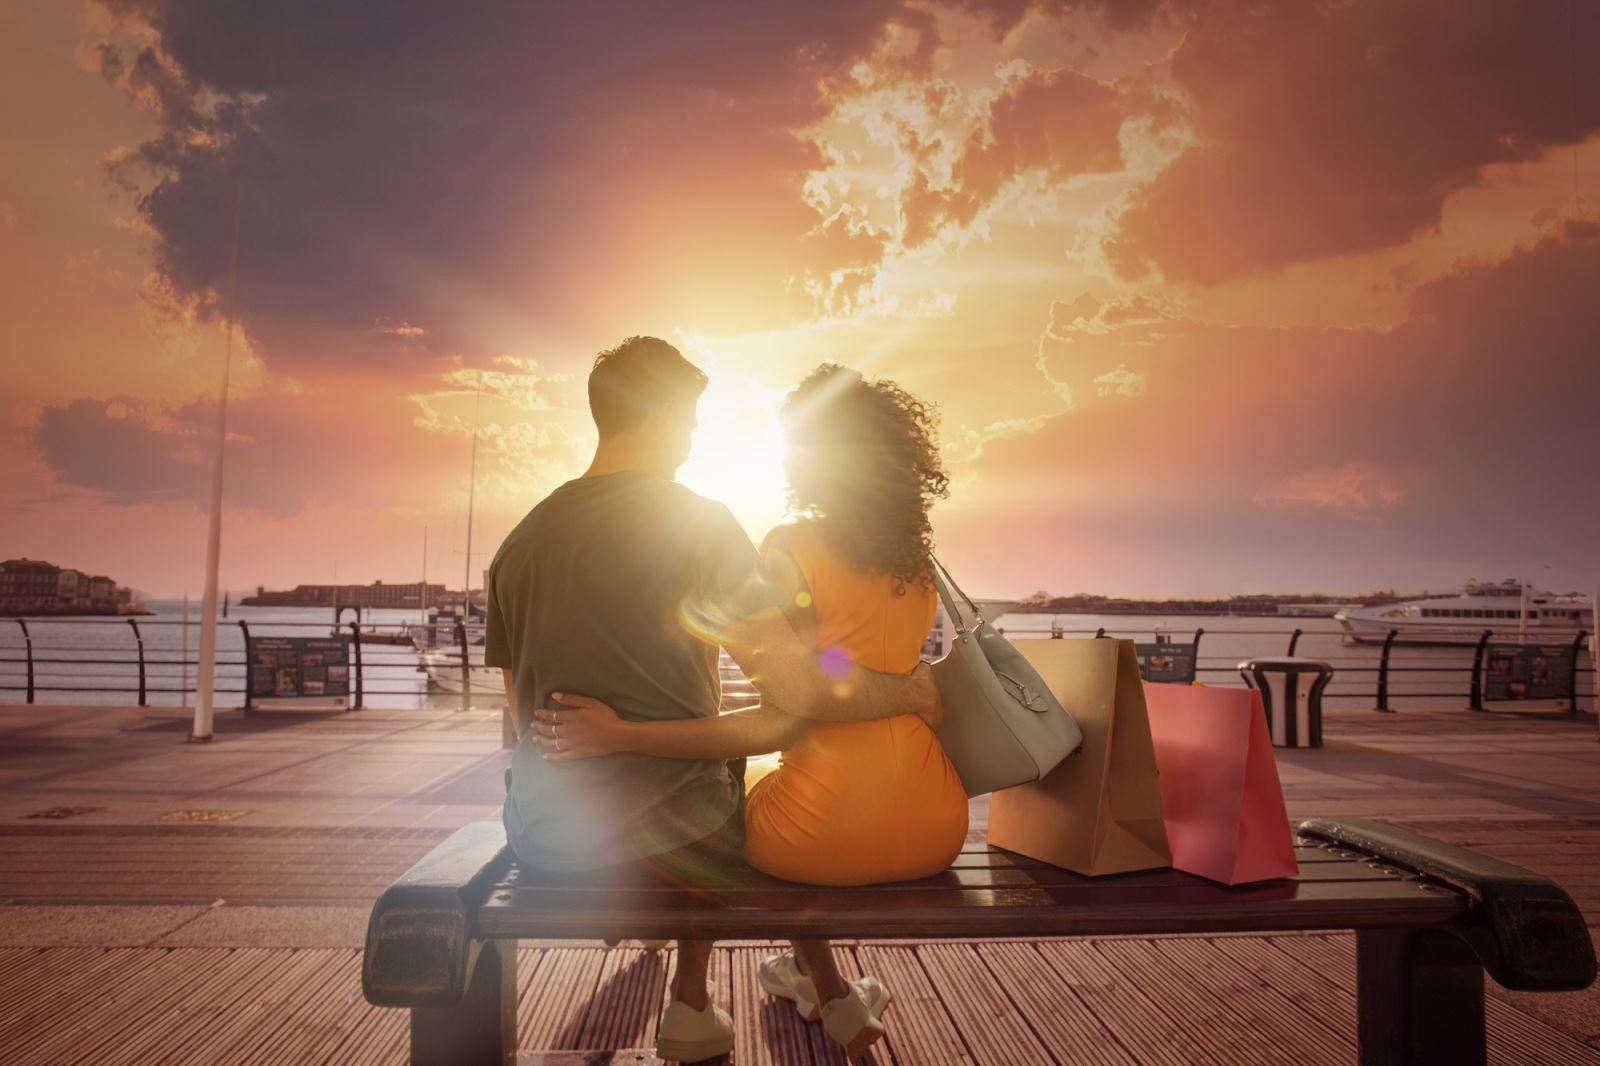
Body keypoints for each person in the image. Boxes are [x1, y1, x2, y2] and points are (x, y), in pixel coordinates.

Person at [484, 338, 941, 1064]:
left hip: (549, 844)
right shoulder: (697, 523)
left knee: (725, 787)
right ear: (663, 413)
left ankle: (811, 992)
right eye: (691, 421)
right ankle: (699, 1004)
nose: (694, 440)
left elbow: (521, 719)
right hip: (669, 846)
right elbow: (788, 704)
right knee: (732, 790)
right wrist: (911, 690)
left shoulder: (516, 544)